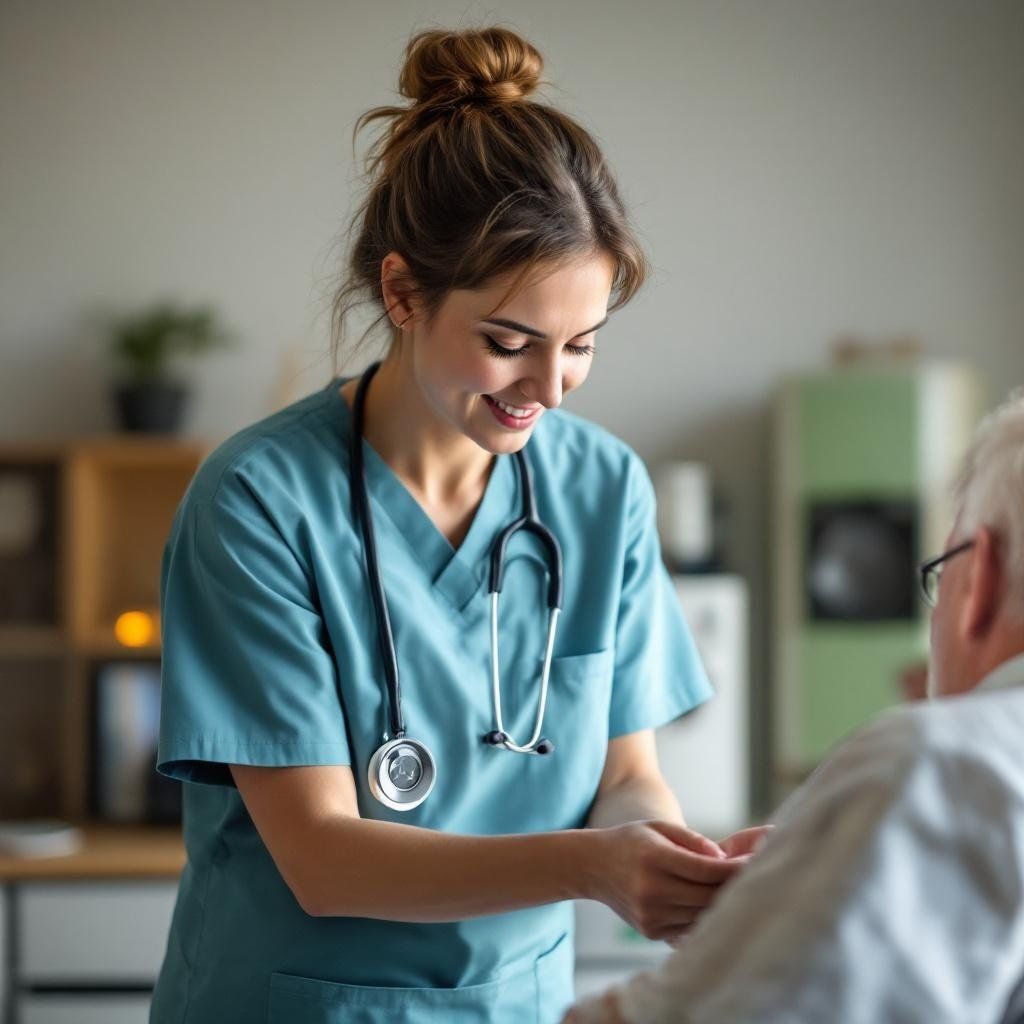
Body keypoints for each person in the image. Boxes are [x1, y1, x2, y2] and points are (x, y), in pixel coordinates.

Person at [149, 27, 767, 1024]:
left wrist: (664, 855)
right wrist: (592, 866)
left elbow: (624, 771)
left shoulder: (602, 488)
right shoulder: (259, 500)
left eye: (581, 346)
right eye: (509, 342)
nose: (548, 388)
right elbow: (320, 857)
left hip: (514, 1003)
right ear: (402, 293)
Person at [566, 389, 1024, 1024]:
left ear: (980, 582)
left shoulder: (936, 765)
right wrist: (820, 862)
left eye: (941, 572)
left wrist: (825, 872)